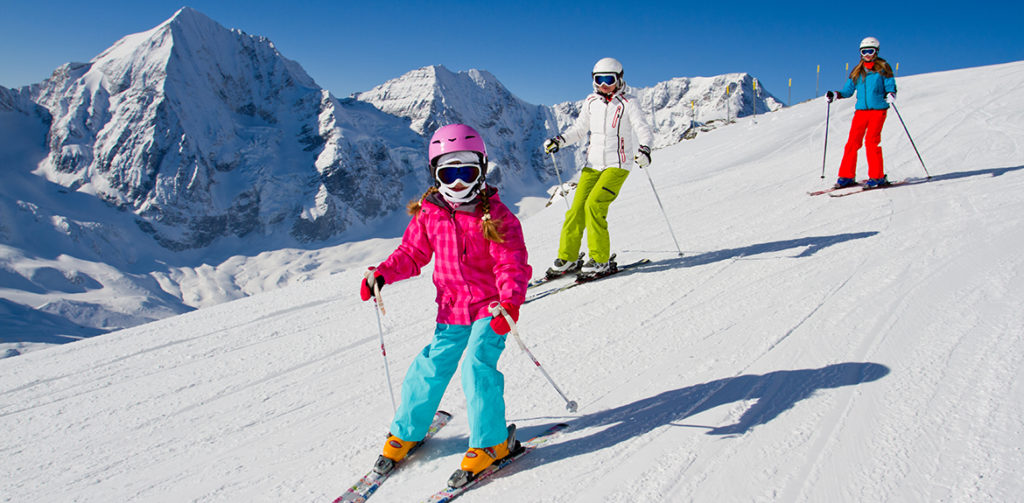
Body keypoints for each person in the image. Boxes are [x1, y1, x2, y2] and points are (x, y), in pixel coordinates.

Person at [359, 124, 531, 486]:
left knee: (476, 365)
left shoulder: (498, 217)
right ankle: (406, 431)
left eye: (465, 172)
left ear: (481, 170)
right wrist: (384, 274)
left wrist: (510, 303)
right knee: (430, 365)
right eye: (447, 174)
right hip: (452, 308)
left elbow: (511, 263)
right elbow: (412, 252)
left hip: (491, 309)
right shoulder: (430, 213)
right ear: (434, 174)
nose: (456, 183)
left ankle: (492, 444)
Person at [542, 57, 655, 277]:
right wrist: (559, 140)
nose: (604, 84)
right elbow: (579, 129)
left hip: (618, 165)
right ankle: (568, 257)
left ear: (619, 79)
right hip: (592, 165)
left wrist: (646, 149)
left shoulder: (628, 103)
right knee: (575, 210)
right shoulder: (591, 102)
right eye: (599, 79)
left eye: (609, 79)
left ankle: (600, 259)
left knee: (594, 206)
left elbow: (643, 129)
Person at [826, 36, 898, 189]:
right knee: (852, 143)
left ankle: (877, 177)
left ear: (876, 51)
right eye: (864, 51)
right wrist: (836, 94)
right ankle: (846, 176)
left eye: (870, 51)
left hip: (878, 110)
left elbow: (890, 84)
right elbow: (848, 90)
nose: (867, 54)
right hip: (861, 112)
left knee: (871, 142)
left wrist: (891, 94)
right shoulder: (857, 71)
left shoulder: (883, 68)